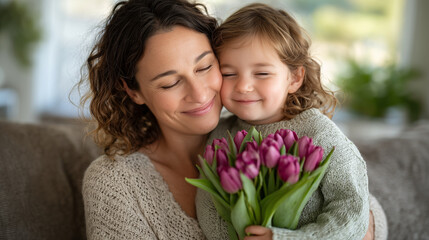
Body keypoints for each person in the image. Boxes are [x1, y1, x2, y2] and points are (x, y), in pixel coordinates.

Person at [195, 3, 387, 240]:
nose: (243, 86)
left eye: (262, 73)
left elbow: (352, 209)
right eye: (229, 73)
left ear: (295, 77)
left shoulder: (318, 133)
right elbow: (208, 204)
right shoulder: (221, 133)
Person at [79, 0, 223, 239]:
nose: (199, 94)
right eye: (170, 83)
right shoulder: (115, 183)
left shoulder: (262, 136)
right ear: (133, 91)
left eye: (204, 67)